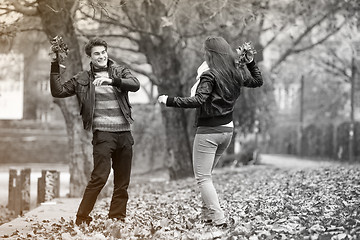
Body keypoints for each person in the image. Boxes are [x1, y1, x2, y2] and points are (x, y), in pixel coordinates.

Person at [158, 36, 263, 228]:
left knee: (203, 177)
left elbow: (198, 100)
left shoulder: (210, 75)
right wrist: (251, 63)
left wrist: (168, 100)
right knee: (206, 175)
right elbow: (257, 80)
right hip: (227, 132)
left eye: (205, 52)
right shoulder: (235, 73)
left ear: (210, 54)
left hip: (209, 132)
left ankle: (218, 219)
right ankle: (206, 216)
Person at [49, 38, 140, 226]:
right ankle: (82, 218)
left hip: (124, 133)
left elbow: (135, 84)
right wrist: (55, 64)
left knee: (122, 183)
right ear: (90, 57)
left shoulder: (119, 71)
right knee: (99, 177)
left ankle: (117, 218)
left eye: (104, 52)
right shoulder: (83, 79)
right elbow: (58, 91)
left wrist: (111, 81)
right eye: (97, 53)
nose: (102, 56)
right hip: (103, 135)